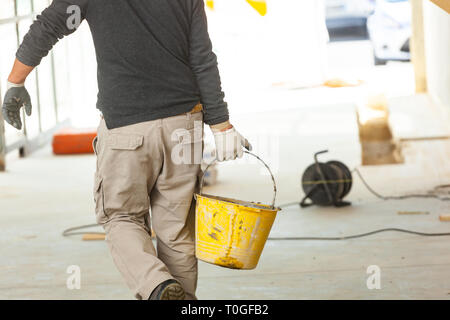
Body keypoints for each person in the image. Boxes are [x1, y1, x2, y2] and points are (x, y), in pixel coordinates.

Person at [1, 0, 250, 300]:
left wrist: (16, 82)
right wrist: (221, 124)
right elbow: (202, 57)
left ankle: (157, 286)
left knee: (121, 217)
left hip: (126, 129)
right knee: (176, 229)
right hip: (184, 126)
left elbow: (49, 25)